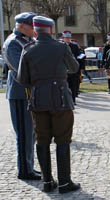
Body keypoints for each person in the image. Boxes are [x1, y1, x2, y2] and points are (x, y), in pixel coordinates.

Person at [17, 16, 80, 193]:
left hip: (38, 101)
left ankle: (47, 181)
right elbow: (74, 67)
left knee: (42, 140)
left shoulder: (28, 49)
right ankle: (65, 182)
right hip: (60, 100)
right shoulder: (61, 47)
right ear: (51, 30)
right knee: (62, 140)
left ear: (35, 31)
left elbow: (23, 79)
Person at [1, 12, 41, 180]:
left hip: (29, 92)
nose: (35, 30)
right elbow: (21, 69)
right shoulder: (13, 43)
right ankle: (24, 170)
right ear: (23, 26)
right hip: (19, 92)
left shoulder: (27, 40)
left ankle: (29, 165)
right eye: (33, 27)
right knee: (24, 133)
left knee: (31, 133)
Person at [62, 30, 81, 104]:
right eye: (66, 37)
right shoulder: (60, 46)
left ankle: (73, 100)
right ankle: (65, 100)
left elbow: (78, 56)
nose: (67, 39)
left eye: (69, 37)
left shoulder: (74, 46)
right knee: (64, 86)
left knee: (73, 86)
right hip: (64, 69)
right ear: (63, 38)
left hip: (73, 69)